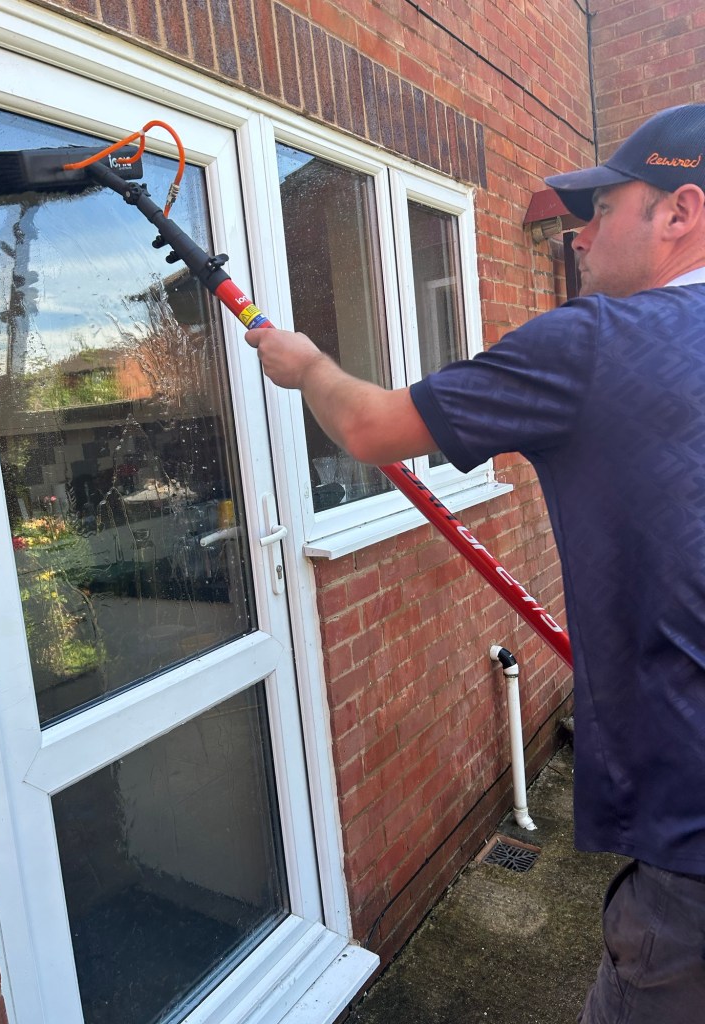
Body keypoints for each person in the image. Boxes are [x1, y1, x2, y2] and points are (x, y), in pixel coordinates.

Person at [245, 103, 705, 1023]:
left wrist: (306, 365)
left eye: (601, 209)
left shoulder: (594, 342)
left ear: (679, 211)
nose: (578, 236)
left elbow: (371, 427)